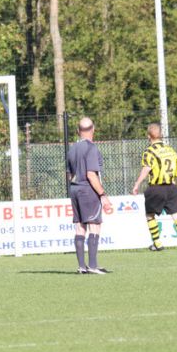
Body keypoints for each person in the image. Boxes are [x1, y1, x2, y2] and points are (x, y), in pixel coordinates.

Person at [131, 123, 177, 252]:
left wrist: (137, 184)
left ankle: (157, 243)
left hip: (156, 188)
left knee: (150, 215)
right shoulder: (171, 150)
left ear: (149, 136)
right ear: (161, 135)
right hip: (171, 187)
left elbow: (146, 168)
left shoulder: (149, 151)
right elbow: (176, 167)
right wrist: (173, 181)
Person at [67, 117, 113, 274]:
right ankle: (92, 265)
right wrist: (103, 195)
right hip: (88, 190)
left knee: (80, 226)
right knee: (95, 225)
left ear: (78, 131)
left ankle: (82, 267)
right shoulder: (91, 148)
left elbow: (69, 175)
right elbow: (91, 175)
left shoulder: (72, 149)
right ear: (93, 129)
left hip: (74, 189)